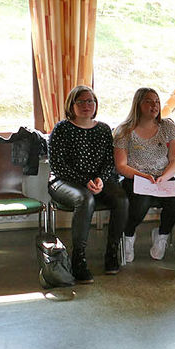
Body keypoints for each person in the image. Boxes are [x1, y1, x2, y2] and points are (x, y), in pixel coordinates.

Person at [48, 85, 128, 283]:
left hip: (97, 181)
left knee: (122, 199)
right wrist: (86, 181)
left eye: (90, 101)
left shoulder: (102, 129)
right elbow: (58, 166)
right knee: (85, 199)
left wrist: (100, 178)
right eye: (81, 101)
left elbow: (109, 161)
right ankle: (79, 259)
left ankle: (111, 252)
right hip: (64, 182)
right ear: (71, 105)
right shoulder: (61, 129)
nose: (86, 105)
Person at [114, 88, 175, 263]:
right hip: (135, 178)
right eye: (149, 101)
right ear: (138, 104)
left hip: (162, 177)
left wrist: (165, 177)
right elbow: (121, 165)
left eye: (157, 101)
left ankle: (162, 235)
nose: (154, 105)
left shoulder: (167, 127)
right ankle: (128, 235)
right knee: (140, 204)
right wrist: (142, 176)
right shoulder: (124, 130)